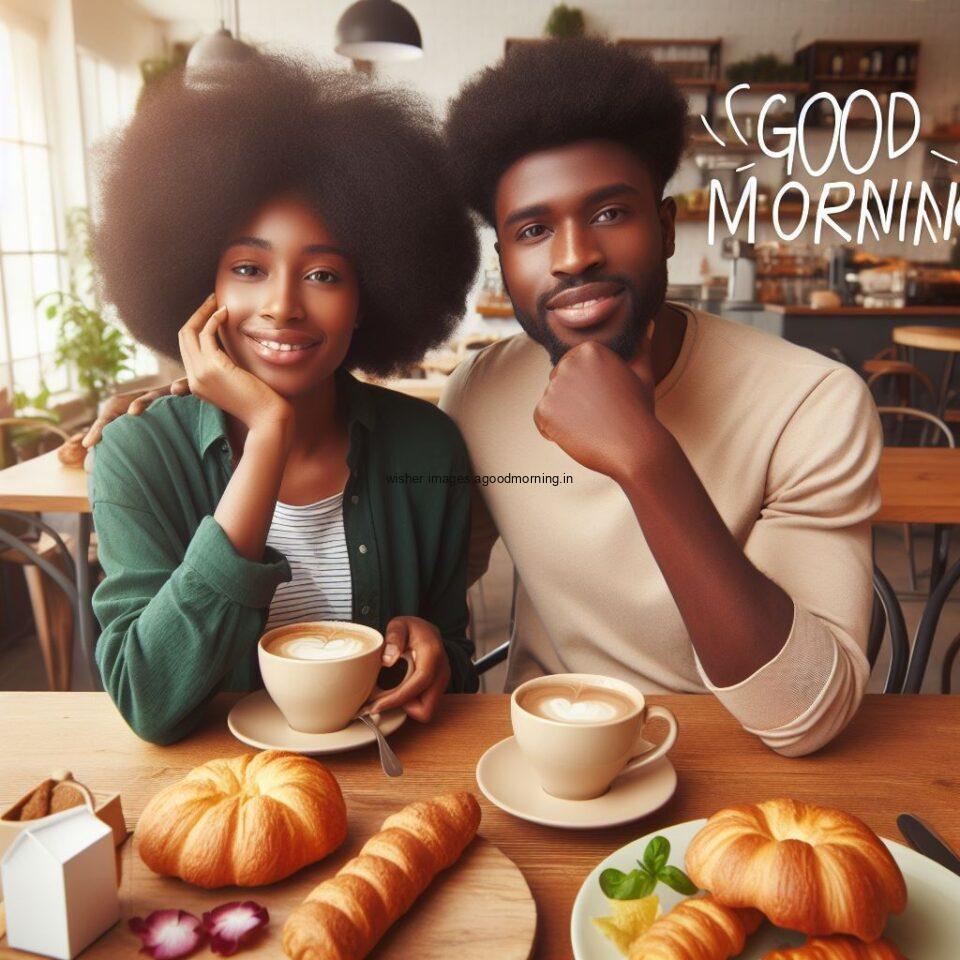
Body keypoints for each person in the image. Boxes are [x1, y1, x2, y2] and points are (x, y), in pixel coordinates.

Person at [439, 37, 881, 757]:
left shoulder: (814, 403)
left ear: (668, 228)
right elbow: (429, 582)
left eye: (610, 213)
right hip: (548, 770)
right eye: (533, 229)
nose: (574, 254)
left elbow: (806, 714)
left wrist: (643, 457)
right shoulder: (479, 396)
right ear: (504, 263)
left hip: (739, 774)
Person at [86, 53, 480, 745]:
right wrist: (266, 434)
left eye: (324, 273)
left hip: (387, 796)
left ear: (369, 299)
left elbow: (457, 669)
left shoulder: (429, 447)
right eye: (248, 268)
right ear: (199, 286)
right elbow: (147, 700)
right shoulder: (136, 454)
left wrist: (433, 654)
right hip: (211, 804)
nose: (281, 305)